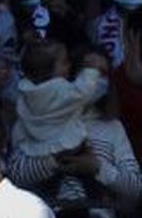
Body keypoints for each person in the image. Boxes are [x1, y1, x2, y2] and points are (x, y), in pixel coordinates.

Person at [12, 40, 107, 203]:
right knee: (90, 188)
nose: (68, 66)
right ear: (48, 71)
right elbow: (83, 92)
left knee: (50, 188)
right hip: (65, 149)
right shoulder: (59, 90)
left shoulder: (26, 91)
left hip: (36, 150)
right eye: (63, 63)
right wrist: (91, 69)